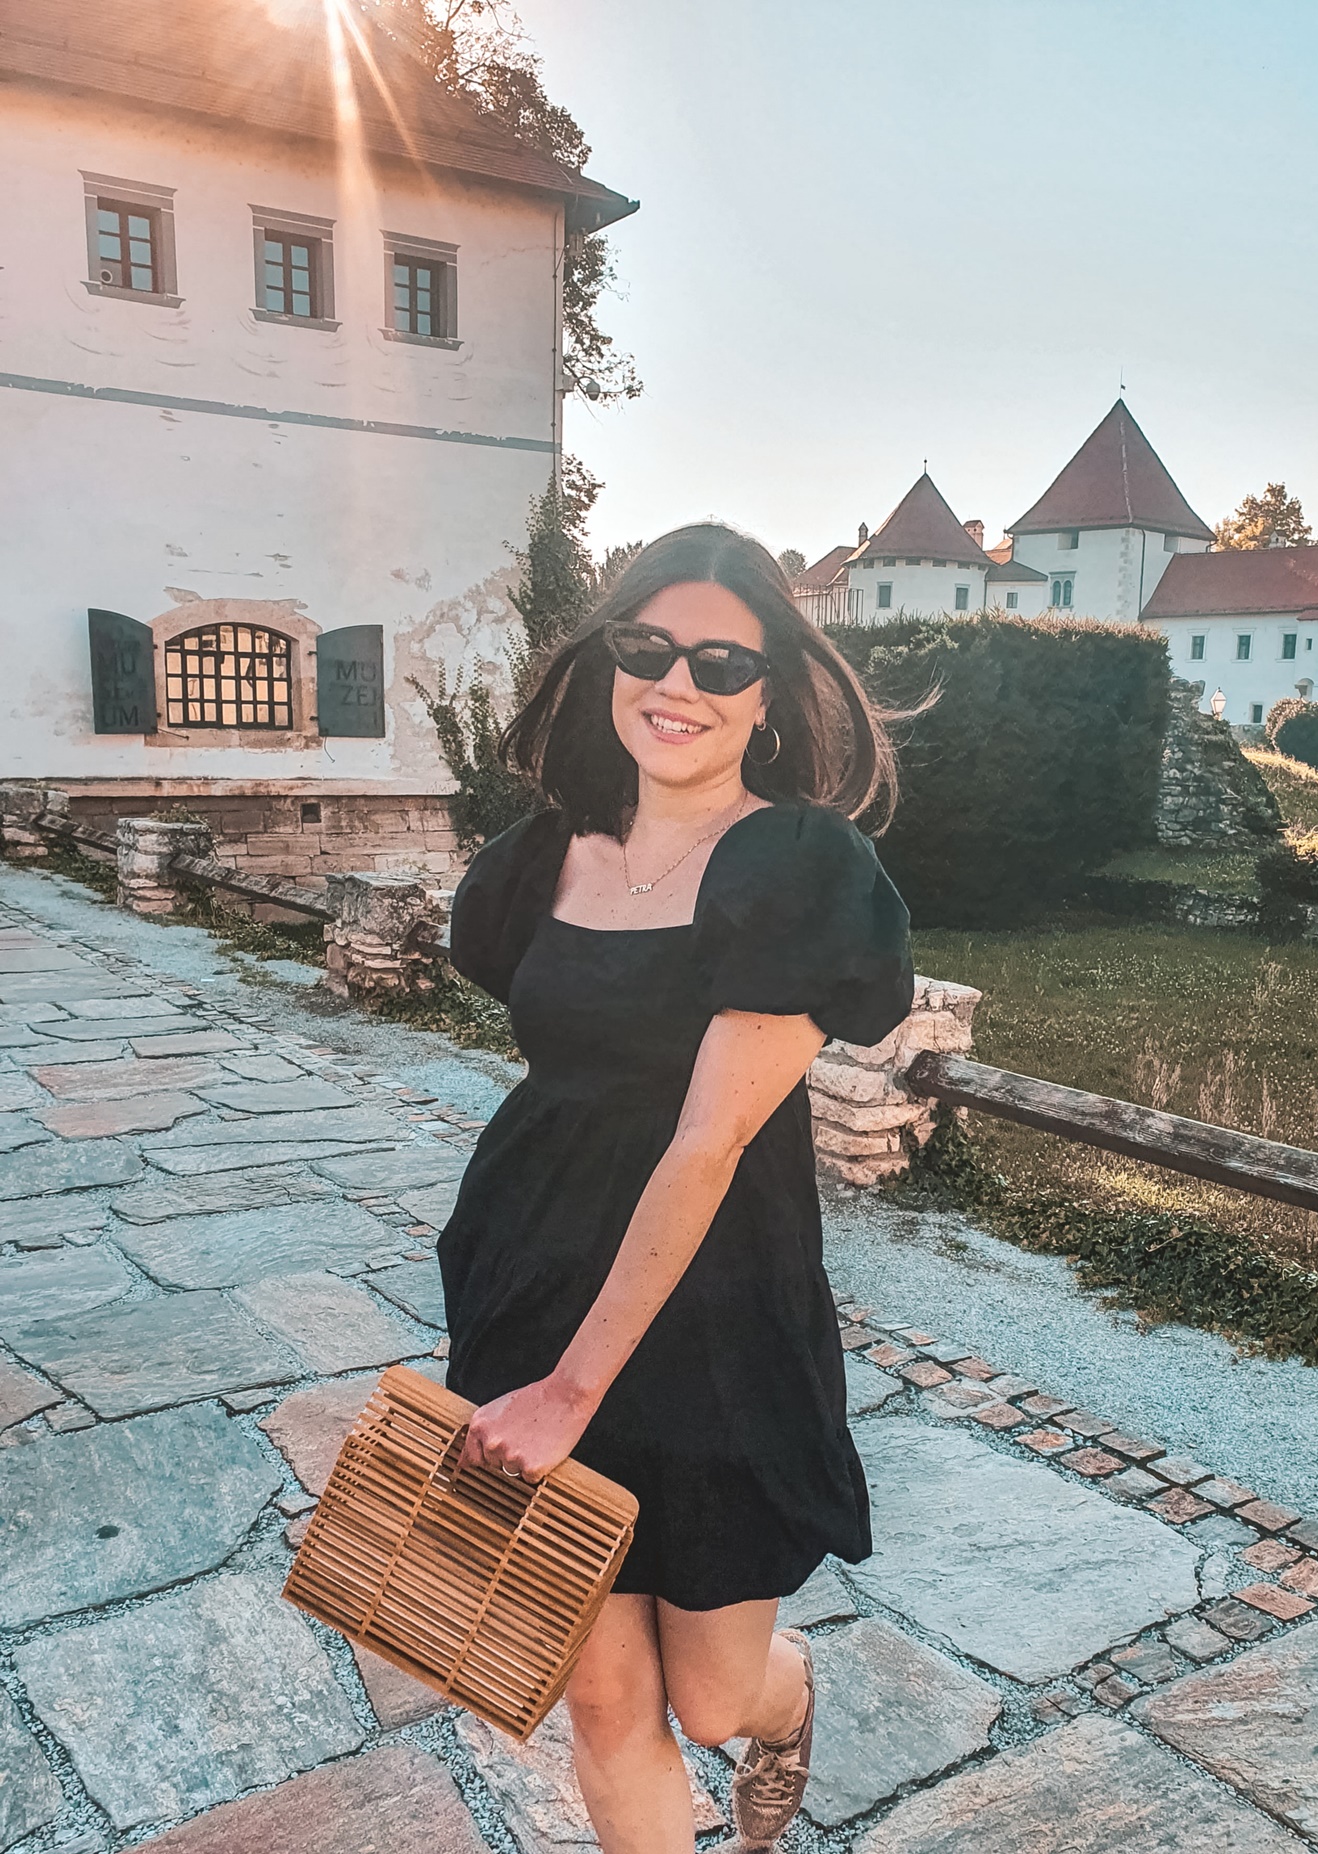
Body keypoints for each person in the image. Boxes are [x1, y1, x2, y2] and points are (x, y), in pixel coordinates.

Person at [439, 522, 914, 1852]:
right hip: (532, 1278)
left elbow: (704, 1144)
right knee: (601, 1700)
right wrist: (535, 1361)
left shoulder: (800, 870)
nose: (678, 681)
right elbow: (565, 1066)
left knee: (708, 1700)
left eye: (722, 660)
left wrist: (569, 1392)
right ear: (607, 660)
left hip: (715, 1314)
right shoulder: (540, 859)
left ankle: (787, 1699)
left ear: (770, 696)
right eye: (648, 646)